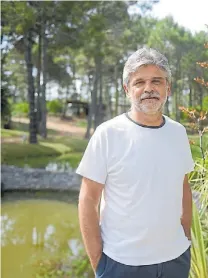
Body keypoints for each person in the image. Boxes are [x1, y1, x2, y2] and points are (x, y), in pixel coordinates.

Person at [76, 47, 195, 278]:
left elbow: (183, 187)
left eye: (156, 81)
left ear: (167, 88)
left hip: (176, 260)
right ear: (127, 89)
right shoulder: (108, 134)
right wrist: (99, 263)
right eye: (139, 82)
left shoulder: (178, 133)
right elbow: (88, 199)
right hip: (122, 264)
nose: (148, 88)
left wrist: (186, 236)